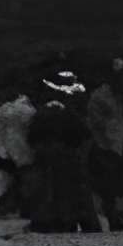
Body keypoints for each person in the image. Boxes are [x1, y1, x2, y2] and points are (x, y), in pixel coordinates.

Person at [26, 70, 95, 233]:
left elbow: (32, 138)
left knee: (47, 190)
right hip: (67, 157)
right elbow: (84, 134)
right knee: (70, 191)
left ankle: (46, 222)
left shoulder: (41, 114)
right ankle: (70, 221)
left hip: (47, 157)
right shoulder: (69, 113)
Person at [83, 55, 123, 231]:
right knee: (108, 188)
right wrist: (107, 145)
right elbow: (95, 124)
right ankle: (113, 217)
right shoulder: (99, 97)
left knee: (122, 187)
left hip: (122, 148)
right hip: (105, 149)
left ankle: (119, 217)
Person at [0, 83, 38, 216]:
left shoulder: (4, 110)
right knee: (23, 182)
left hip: (3, 152)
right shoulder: (31, 112)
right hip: (24, 153)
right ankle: (22, 209)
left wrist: (0, 147)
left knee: (1, 183)